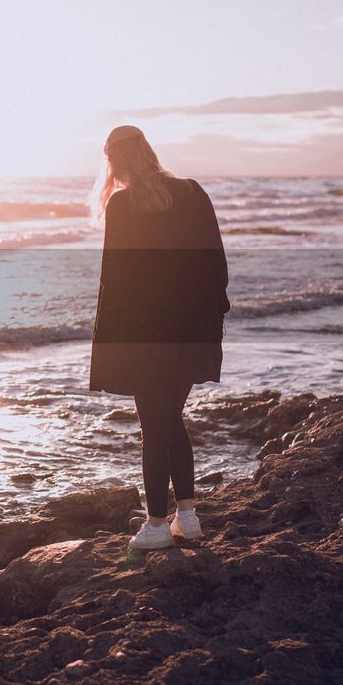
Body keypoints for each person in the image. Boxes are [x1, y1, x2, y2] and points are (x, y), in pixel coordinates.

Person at [88, 125, 230, 550]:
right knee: (170, 419)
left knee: (156, 424)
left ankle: (155, 524)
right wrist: (213, 320)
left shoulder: (123, 203)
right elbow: (215, 262)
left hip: (146, 334)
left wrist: (110, 339)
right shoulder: (191, 192)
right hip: (192, 330)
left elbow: (115, 279)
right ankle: (186, 517)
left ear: (113, 160)